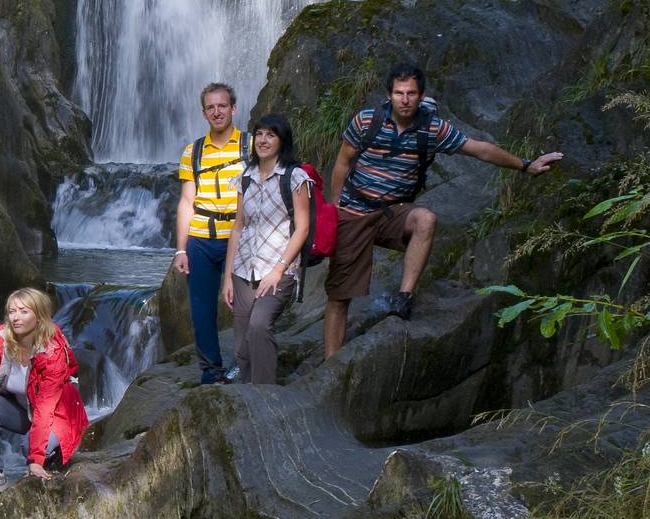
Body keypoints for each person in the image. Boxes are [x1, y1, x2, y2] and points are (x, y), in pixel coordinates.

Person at [324, 64, 565, 356]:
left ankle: (404, 297)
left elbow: (479, 149)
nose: (405, 99)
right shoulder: (366, 121)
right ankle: (330, 364)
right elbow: (342, 163)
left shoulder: (432, 128)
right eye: (399, 93)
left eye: (411, 93)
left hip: (393, 213)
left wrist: (526, 165)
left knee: (426, 219)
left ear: (421, 95)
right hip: (356, 209)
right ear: (389, 95)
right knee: (339, 297)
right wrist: (336, 206)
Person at [0, 287, 88, 503]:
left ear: (38, 316)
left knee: (28, 447)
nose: (16, 317)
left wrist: (35, 460)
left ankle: (50, 460)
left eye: (23, 311)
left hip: (59, 414)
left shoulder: (52, 351)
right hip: (22, 410)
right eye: (12, 312)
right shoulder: (0, 341)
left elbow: (46, 407)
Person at [223, 114, 312, 384]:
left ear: (282, 140)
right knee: (241, 342)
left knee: (260, 324)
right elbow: (238, 228)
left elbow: (303, 228)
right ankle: (246, 397)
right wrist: (227, 277)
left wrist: (279, 270)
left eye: (270, 135)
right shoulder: (246, 178)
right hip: (243, 269)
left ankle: (265, 396)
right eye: (259, 134)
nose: (263, 140)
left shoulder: (295, 177)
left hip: (278, 268)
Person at [173, 82, 243, 383]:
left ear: (233, 109)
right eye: (211, 107)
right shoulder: (194, 151)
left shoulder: (250, 145)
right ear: (204, 113)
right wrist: (180, 248)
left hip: (239, 238)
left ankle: (245, 365)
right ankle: (211, 371)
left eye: (222, 106)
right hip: (201, 238)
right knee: (202, 311)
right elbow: (187, 201)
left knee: (245, 307)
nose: (217, 112)